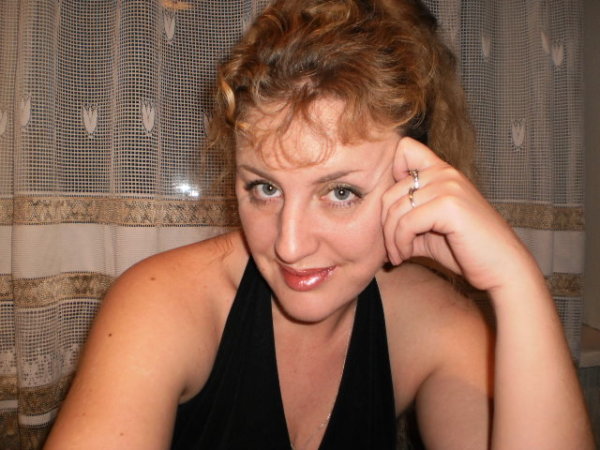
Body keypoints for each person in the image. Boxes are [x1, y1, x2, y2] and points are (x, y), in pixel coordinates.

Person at [44, 0, 594, 449]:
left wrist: (516, 282)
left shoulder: (434, 326)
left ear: (414, 182)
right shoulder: (163, 307)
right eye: (265, 188)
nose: (289, 244)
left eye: (340, 193)